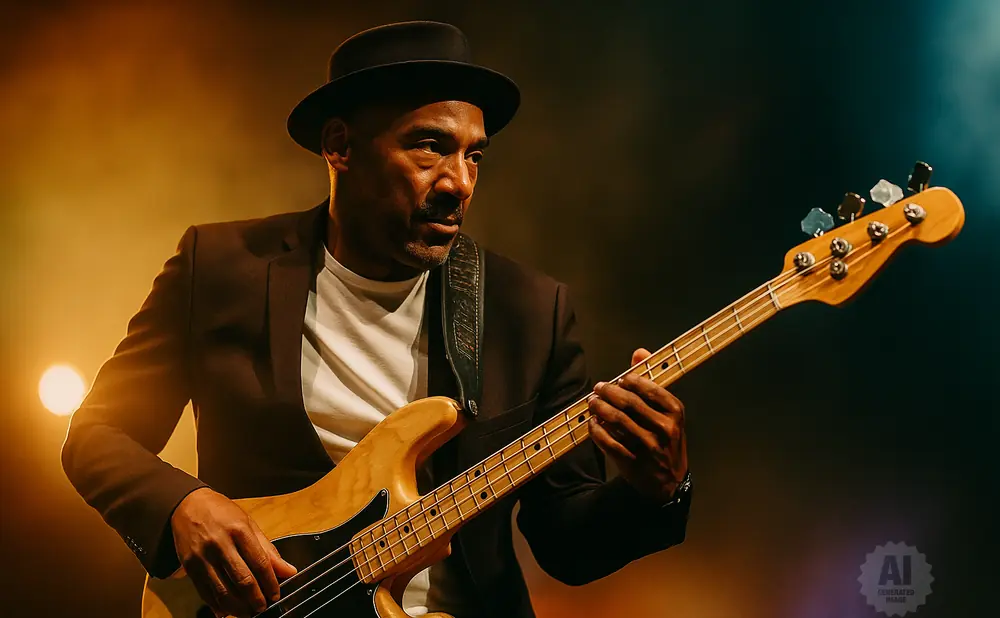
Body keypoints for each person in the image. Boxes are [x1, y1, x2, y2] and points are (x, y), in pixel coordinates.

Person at [61, 20, 691, 618]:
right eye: (429, 146)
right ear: (339, 146)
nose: (459, 183)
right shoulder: (220, 268)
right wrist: (181, 506)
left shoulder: (527, 311)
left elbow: (567, 546)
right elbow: (95, 436)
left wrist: (655, 491)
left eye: (475, 156)